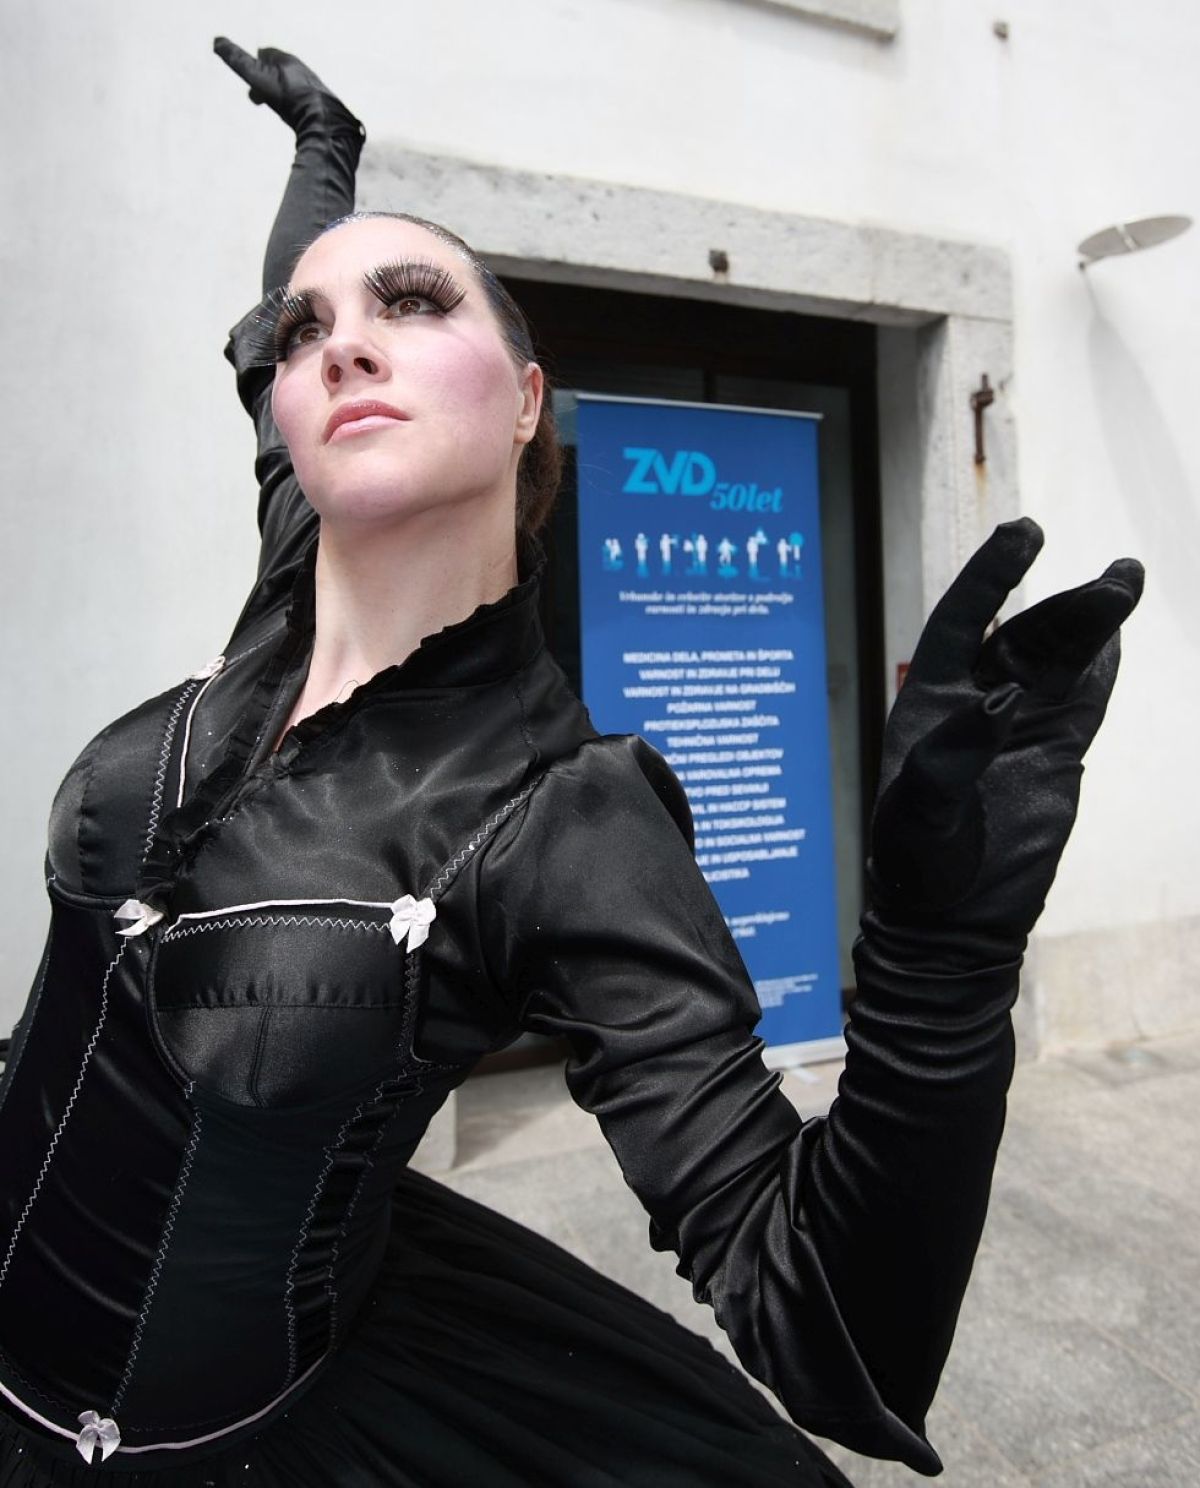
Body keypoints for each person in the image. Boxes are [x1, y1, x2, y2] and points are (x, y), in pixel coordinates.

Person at [0, 40, 1142, 1488]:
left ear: (529, 399)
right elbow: (298, 287)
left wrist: (939, 962)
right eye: (303, 336)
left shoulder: (563, 815)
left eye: (414, 305)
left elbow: (823, 1312)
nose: (340, 346)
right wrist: (327, 155)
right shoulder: (288, 589)